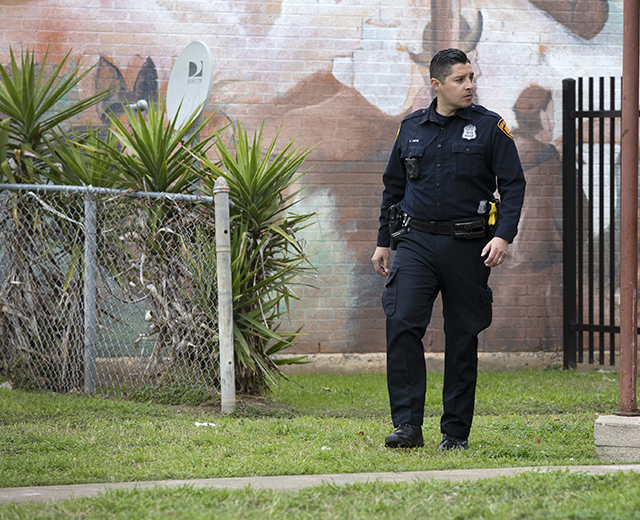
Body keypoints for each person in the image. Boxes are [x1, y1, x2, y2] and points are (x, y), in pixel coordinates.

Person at [371, 48, 526, 451]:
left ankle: (454, 433)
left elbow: (512, 186)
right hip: (416, 244)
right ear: (436, 85)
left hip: (469, 246)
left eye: (471, 77)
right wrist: (384, 241)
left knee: (462, 337)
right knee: (402, 324)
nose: (469, 85)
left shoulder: (491, 127)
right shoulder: (411, 128)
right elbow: (394, 188)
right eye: (460, 79)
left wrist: (503, 235)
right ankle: (407, 426)